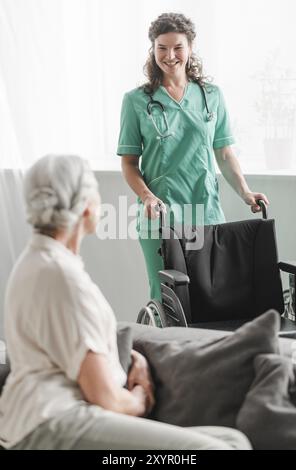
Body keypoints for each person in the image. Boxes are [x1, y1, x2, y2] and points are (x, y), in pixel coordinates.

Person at [0, 154, 251, 450]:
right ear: (84, 206)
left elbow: (69, 347)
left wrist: (136, 359)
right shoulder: (61, 276)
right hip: (54, 421)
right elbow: (105, 397)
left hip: (38, 419)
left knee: (232, 440)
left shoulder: (35, 262)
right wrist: (140, 398)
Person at [117, 12, 269, 302]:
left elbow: (224, 153)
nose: (170, 55)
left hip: (206, 211)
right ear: (153, 49)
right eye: (161, 47)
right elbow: (128, 163)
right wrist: (147, 196)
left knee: (212, 295)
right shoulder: (136, 101)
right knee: (168, 298)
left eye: (177, 47)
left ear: (190, 48)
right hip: (160, 215)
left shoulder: (212, 95)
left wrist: (246, 193)